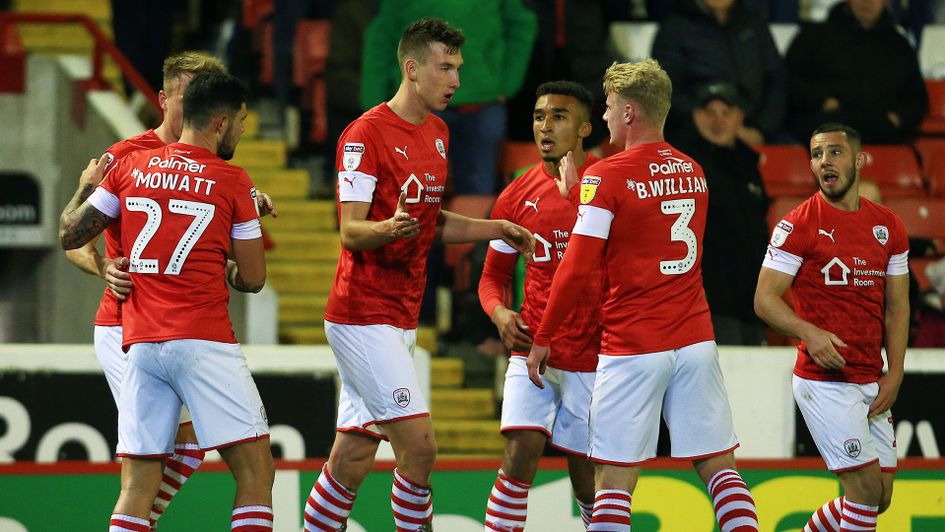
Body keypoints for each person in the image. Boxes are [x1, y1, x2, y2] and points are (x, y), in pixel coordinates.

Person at [302, 18, 535, 532]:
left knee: (353, 456)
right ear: (411, 69)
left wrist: (495, 225)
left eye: (459, 68)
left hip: (400, 316)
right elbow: (352, 231)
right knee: (421, 448)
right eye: (445, 68)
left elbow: (431, 224)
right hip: (362, 314)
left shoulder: (438, 132)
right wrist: (389, 227)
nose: (456, 80)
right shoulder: (364, 135)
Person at [527, 60, 759, 531]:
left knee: (613, 478)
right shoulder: (694, 171)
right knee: (720, 466)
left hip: (633, 344)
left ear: (630, 112)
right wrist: (580, 199)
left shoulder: (606, 175)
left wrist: (544, 334)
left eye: (610, 108)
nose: (607, 118)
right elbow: (648, 230)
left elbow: (576, 266)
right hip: (694, 339)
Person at [59, 71, 276, 531]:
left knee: (138, 484)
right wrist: (225, 254)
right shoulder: (233, 180)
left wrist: (84, 188)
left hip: (138, 342)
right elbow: (254, 279)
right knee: (255, 472)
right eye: (240, 121)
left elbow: (70, 234)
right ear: (219, 123)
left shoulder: (130, 167)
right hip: (202, 340)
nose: (241, 130)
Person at [754, 123, 909, 532]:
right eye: (817, 154)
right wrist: (809, 332)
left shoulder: (888, 226)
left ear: (857, 160)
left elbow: (898, 306)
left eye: (835, 152)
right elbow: (764, 299)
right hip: (825, 381)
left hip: (870, 377)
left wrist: (895, 371)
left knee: (881, 497)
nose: (825, 161)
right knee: (861, 490)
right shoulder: (798, 224)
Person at [478, 80, 601, 530]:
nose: (545, 127)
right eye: (538, 116)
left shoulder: (609, 185)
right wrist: (500, 313)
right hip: (532, 350)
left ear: (585, 127)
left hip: (595, 354)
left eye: (559, 117)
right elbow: (491, 279)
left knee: (588, 480)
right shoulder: (516, 195)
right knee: (520, 453)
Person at [360, 1, 537, 196]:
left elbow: (522, 24)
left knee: (476, 192)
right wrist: (374, 105)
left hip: (481, 104)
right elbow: (381, 35)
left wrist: (508, 83)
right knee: (410, 188)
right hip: (422, 106)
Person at [673, 81, 770, 345]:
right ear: (695, 115)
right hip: (707, 303)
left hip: (751, 302)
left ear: (739, 117)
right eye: (709, 112)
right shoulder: (682, 163)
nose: (718, 121)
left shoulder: (748, 163)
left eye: (725, 113)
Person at [785, 0, 927, 144]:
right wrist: (820, 100)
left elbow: (916, 98)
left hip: (881, 133)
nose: (866, 2)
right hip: (823, 130)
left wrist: (899, 118)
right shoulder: (814, 36)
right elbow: (788, 81)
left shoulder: (900, 46)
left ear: (886, 2)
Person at [652, 0, 787, 146]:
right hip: (695, 133)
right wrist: (710, 124)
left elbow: (777, 81)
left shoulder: (754, 22)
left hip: (754, 129)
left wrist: (761, 129)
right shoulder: (674, 27)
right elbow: (665, 89)